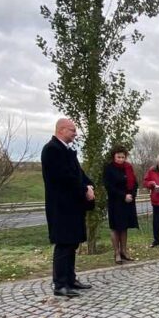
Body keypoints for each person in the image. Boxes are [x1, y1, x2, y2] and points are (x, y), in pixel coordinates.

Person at [42, 118, 95, 297]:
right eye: (72, 130)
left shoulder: (66, 150)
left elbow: (78, 173)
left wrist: (89, 185)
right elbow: (64, 178)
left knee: (72, 243)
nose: (75, 134)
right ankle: (60, 284)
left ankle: (70, 279)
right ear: (62, 130)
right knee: (63, 244)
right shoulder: (52, 150)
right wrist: (84, 190)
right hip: (61, 207)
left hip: (72, 206)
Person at [103, 145, 139, 265]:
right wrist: (123, 195)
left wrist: (131, 195)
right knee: (115, 227)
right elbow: (109, 186)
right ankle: (116, 253)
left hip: (128, 202)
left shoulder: (128, 167)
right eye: (118, 157)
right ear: (114, 156)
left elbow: (135, 183)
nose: (121, 159)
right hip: (115, 201)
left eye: (123, 157)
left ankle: (124, 251)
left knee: (124, 227)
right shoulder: (109, 168)